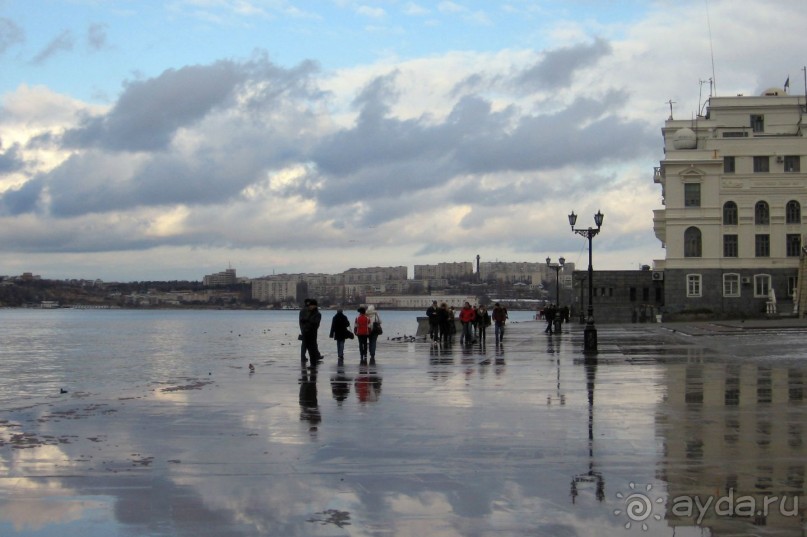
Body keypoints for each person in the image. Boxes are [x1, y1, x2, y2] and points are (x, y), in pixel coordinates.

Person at [299, 298, 323, 364]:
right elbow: (302, 321)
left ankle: (313, 362)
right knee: (308, 346)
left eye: (311, 305)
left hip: (311, 332)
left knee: (311, 347)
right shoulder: (306, 311)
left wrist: (306, 322)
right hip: (306, 332)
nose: (310, 306)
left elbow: (315, 323)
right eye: (309, 305)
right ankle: (311, 361)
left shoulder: (316, 313)